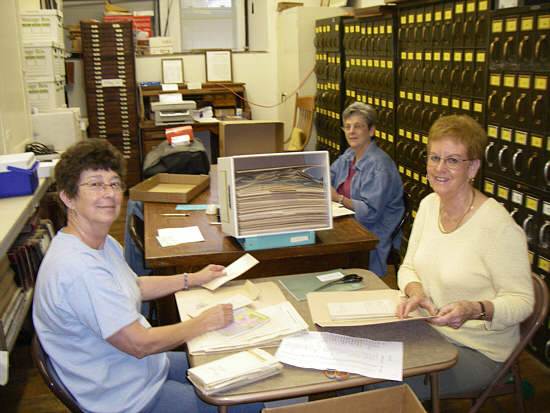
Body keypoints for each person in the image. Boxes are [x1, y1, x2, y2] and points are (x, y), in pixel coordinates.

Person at [33, 139, 261, 413]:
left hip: (136, 368)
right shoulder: (78, 269)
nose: (109, 193)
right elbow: (138, 344)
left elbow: (133, 285)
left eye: (115, 183)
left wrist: (192, 279)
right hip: (127, 396)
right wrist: (203, 322)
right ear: (67, 197)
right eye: (95, 184)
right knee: (246, 404)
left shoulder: (98, 243)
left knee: (242, 372)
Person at [396, 115, 534, 399]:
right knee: (358, 366)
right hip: (429, 333)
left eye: (453, 160)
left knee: (383, 385)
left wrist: (474, 309)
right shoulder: (429, 205)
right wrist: (416, 290)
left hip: (478, 351)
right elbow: (408, 267)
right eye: (434, 157)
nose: (439, 168)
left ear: (473, 168)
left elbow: (522, 302)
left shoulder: (498, 227)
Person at [330, 102, 404, 276]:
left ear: (371, 131)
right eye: (347, 126)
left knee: (322, 248)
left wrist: (338, 198)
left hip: (371, 234)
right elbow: (327, 177)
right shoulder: (349, 155)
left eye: (358, 126)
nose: (351, 131)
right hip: (351, 224)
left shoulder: (379, 166)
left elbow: (371, 213)